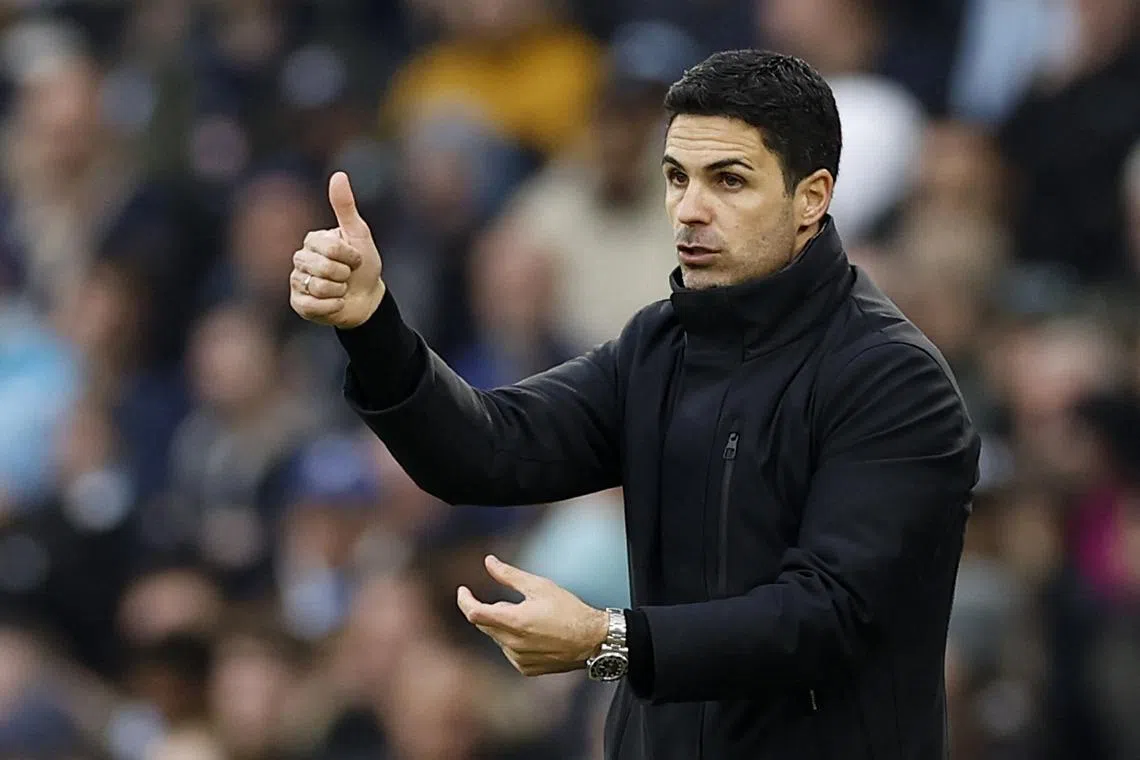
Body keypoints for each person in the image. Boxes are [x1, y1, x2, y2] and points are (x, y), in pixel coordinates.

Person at [289, 49, 981, 760]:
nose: (689, 209)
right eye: (677, 177)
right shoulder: (659, 346)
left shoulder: (895, 380)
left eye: (729, 180)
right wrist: (372, 327)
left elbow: (827, 617)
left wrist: (609, 639)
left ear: (812, 197)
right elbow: (488, 450)